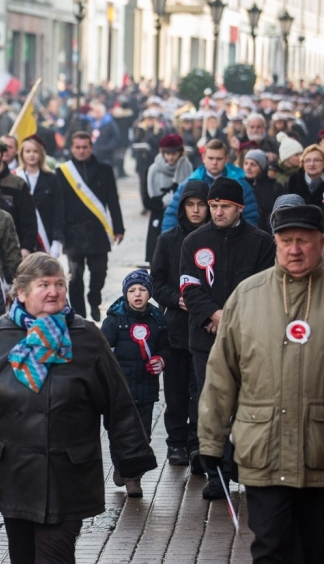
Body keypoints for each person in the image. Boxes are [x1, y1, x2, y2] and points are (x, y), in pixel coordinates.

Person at [0, 253, 156, 564]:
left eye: (59, 284)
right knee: (23, 556)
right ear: (21, 293)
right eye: (44, 285)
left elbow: (118, 400)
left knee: (55, 554)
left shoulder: (86, 337)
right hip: (13, 471)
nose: (53, 292)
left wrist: (131, 456)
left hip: (68, 472)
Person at [200, 204, 324, 564]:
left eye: (304, 241)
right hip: (264, 452)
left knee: (318, 556)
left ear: (322, 243)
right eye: (286, 241)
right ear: (275, 243)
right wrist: (210, 441)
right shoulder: (248, 294)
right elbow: (221, 373)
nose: (295, 250)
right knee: (270, 549)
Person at [180, 177, 275, 498]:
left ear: (239, 208)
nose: (217, 212)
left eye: (224, 207)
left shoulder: (262, 242)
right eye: (213, 206)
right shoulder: (194, 241)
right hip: (204, 339)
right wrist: (213, 315)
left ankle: (245, 465)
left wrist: (229, 320)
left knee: (247, 404)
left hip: (248, 339)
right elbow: (188, 287)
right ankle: (216, 471)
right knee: (212, 406)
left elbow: (265, 290)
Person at [151, 180, 209, 468]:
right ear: (183, 207)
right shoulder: (168, 240)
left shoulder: (214, 238)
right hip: (175, 325)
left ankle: (196, 442)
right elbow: (156, 281)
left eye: (201, 204)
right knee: (174, 391)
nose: (196, 210)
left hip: (205, 326)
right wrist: (176, 299)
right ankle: (175, 443)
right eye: (191, 205)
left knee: (199, 387)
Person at [100, 270, 169, 498]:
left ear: (150, 293)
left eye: (142, 289)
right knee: (119, 433)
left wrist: (161, 359)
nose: (137, 294)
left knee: (142, 435)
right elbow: (102, 352)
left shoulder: (158, 319)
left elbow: (164, 346)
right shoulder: (114, 321)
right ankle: (122, 467)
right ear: (125, 294)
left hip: (146, 387)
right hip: (120, 388)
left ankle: (133, 478)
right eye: (132, 290)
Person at [57, 132, 125, 321]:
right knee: (75, 277)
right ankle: (79, 316)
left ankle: (94, 299)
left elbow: (113, 201)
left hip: (97, 232)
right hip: (73, 233)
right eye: (77, 147)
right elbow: (58, 205)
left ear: (91, 148)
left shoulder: (105, 170)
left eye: (85, 147)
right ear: (71, 148)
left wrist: (119, 228)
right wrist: (58, 233)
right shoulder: (63, 172)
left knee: (99, 272)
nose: (81, 151)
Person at [162, 139, 260, 232]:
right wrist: (170, 243)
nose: (214, 163)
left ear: (226, 159)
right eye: (211, 158)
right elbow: (172, 214)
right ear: (203, 158)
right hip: (195, 240)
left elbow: (250, 217)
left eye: (219, 159)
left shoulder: (241, 185)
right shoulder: (189, 184)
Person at [0, 137, 40, 254]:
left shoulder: (17, 184)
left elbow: (28, 219)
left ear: (3, 154)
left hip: (12, 250)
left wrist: (27, 248)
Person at [145, 134, 193, 262]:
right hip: (158, 217)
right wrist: (162, 202)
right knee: (158, 258)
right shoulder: (153, 170)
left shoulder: (187, 167)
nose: (171, 157)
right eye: (167, 154)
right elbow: (147, 201)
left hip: (180, 217)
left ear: (180, 153)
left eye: (174, 153)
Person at [16, 134, 65, 257]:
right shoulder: (16, 178)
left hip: (46, 237)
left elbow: (58, 210)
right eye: (28, 151)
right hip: (21, 240)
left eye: (35, 151)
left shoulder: (51, 179)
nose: (31, 155)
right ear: (22, 154)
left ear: (41, 154)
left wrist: (56, 240)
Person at [286, 143, 324, 230]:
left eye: (317, 160)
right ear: (303, 164)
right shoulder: (293, 181)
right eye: (308, 160)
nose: (312, 164)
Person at [243, 149, 284, 234]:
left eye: (253, 164)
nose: (248, 167)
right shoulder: (240, 184)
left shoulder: (274, 186)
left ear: (262, 167)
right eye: (246, 163)